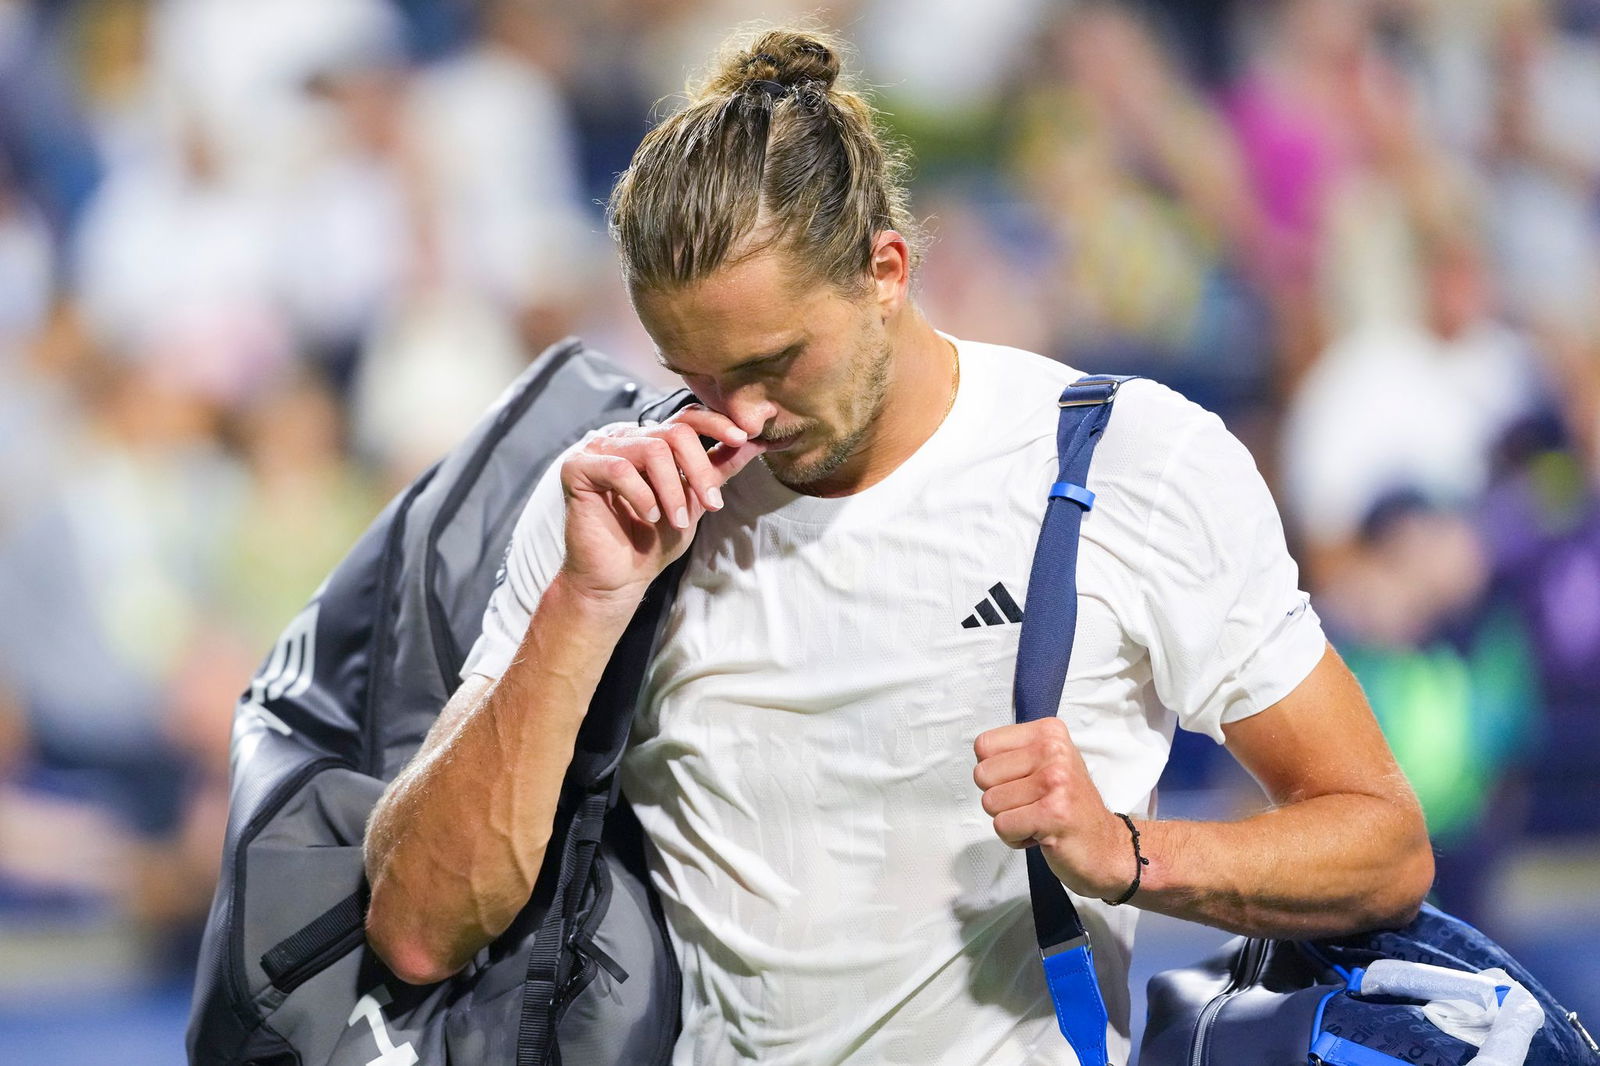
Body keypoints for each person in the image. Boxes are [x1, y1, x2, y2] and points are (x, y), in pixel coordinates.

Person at [361, 27, 1433, 1066]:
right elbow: (418, 927)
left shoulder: (1133, 461)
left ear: (886, 268)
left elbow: (1379, 843)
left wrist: (1127, 853)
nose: (737, 416)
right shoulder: (611, 504)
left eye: (775, 361)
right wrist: (585, 603)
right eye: (692, 369)